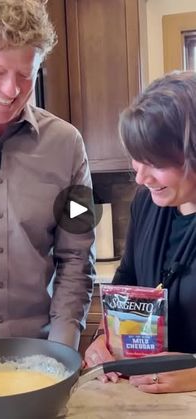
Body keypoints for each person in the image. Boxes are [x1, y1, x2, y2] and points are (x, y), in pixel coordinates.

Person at [0, 0, 95, 349]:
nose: (12, 90)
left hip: (39, 362)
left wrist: (61, 353)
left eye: (25, 74)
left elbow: (76, 256)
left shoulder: (67, 147)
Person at [85, 71, 196, 393]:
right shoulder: (146, 203)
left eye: (156, 162)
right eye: (137, 158)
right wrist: (106, 337)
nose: (141, 177)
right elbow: (128, 278)